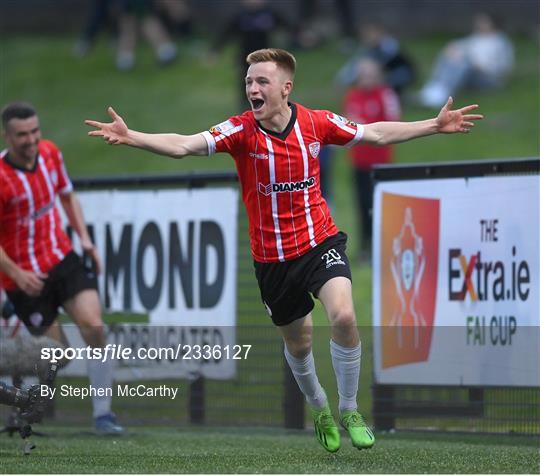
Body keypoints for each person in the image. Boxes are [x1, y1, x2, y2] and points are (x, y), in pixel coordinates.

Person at [86, 48, 482, 452]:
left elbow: (375, 133)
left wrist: (433, 125)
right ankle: (321, 409)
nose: (252, 89)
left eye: (261, 82)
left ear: (285, 88)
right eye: (248, 82)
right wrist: (131, 136)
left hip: (319, 242)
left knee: (344, 316)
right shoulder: (240, 131)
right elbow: (184, 145)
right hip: (272, 260)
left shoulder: (316, 122)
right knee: (300, 342)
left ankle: (350, 409)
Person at [0, 102, 123, 435]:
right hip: (24, 278)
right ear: (8, 136)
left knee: (94, 326)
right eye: (22, 135)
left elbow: (68, 198)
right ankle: (15, 401)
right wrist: (16, 274)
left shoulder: (51, 154)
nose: (30, 140)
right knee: (58, 355)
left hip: (61, 259)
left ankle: (103, 415)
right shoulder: (1, 177)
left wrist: (85, 241)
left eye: (34, 132)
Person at [343, 58, 401, 262]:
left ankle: (383, 247)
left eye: (370, 74)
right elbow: (347, 122)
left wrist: (365, 126)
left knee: (378, 206)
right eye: (362, 74)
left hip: (380, 163)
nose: (366, 78)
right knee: (361, 205)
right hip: (359, 161)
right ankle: (365, 247)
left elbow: (393, 123)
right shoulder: (353, 95)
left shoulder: (385, 95)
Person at [417, 12, 514, 108]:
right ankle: (434, 87)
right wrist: (452, 49)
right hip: (471, 71)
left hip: (489, 78)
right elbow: (459, 45)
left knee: (464, 64)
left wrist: (478, 65)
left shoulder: (501, 42)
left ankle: (443, 95)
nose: (479, 24)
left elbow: (502, 68)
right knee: (449, 54)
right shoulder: (477, 38)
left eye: (483, 22)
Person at [336, 23, 416, 97]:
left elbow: (382, 65)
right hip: (386, 73)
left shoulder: (389, 46)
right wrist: (344, 78)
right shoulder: (368, 48)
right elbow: (355, 63)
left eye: (372, 35)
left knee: (378, 81)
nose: (370, 38)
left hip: (400, 72)